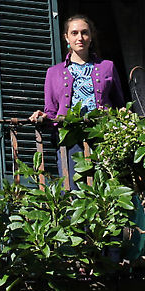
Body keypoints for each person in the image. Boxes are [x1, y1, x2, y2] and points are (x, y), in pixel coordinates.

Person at [30, 14, 124, 187]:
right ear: (66, 37)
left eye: (84, 32)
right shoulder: (54, 72)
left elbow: (119, 105)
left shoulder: (107, 67)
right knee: (74, 190)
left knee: (107, 190)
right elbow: (51, 111)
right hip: (70, 141)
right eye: (74, 33)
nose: (80, 37)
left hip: (104, 138)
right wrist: (42, 115)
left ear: (91, 36)